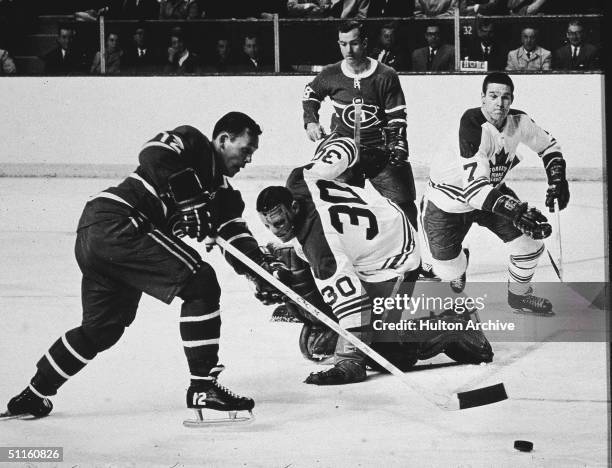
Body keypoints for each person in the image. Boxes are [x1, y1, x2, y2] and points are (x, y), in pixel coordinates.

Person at [2, 112, 290, 422]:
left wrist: (260, 270)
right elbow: (153, 152)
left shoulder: (225, 195)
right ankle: (203, 387)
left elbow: (235, 236)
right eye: (245, 150)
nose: (247, 161)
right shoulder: (193, 144)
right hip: (118, 221)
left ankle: (35, 393)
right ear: (222, 140)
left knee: (102, 329)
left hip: (101, 238)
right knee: (201, 282)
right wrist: (191, 200)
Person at [256, 152, 493, 384]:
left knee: (387, 354)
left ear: (295, 208)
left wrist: (348, 362)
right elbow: (344, 145)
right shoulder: (300, 177)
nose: (275, 231)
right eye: (267, 225)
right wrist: (357, 161)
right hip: (372, 225)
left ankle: (455, 325)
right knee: (315, 345)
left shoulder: (323, 248)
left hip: (394, 256)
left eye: (278, 223)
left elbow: (356, 307)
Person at [422, 72, 570, 313]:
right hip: (449, 203)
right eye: (493, 96)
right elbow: (474, 191)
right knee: (447, 270)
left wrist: (558, 179)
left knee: (529, 246)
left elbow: (549, 146)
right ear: (483, 98)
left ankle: (519, 296)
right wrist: (517, 212)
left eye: (505, 97)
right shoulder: (471, 125)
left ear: (511, 99)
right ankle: (457, 264)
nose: (499, 103)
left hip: (493, 194)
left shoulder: (519, 121)